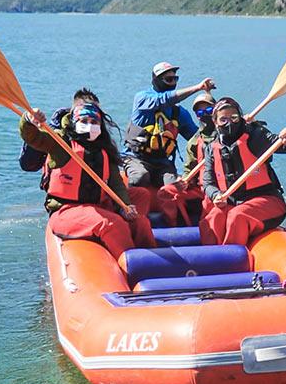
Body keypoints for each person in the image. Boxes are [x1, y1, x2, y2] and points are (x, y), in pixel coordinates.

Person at [20, 88, 156, 258]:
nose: (90, 125)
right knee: (111, 223)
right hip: (66, 209)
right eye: (84, 120)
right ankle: (131, 265)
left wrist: (125, 206)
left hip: (96, 204)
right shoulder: (61, 144)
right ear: (74, 120)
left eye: (94, 121)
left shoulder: (104, 148)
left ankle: (151, 260)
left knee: (141, 207)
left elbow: (115, 183)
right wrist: (28, 120)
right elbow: (34, 138)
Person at [200, 97, 286, 247]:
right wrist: (215, 195)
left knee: (237, 216)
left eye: (234, 118)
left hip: (267, 200)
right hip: (233, 201)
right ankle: (212, 261)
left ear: (240, 117)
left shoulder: (255, 136)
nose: (229, 123)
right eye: (223, 120)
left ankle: (232, 262)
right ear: (215, 122)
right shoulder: (211, 148)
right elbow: (207, 182)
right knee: (213, 218)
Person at [123, 61, 214, 188]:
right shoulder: (142, 99)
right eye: (168, 79)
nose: (173, 83)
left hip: (162, 162)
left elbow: (197, 137)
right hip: (136, 158)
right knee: (140, 176)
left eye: (175, 79)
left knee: (173, 187)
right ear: (156, 80)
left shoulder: (179, 113)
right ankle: (128, 205)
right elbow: (163, 99)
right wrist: (197, 88)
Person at [155, 91, 215, 226]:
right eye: (200, 113)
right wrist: (185, 180)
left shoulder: (229, 133)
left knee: (212, 204)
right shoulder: (195, 141)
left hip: (225, 187)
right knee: (165, 193)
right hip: (203, 187)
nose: (205, 115)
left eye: (209, 110)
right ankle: (176, 228)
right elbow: (189, 168)